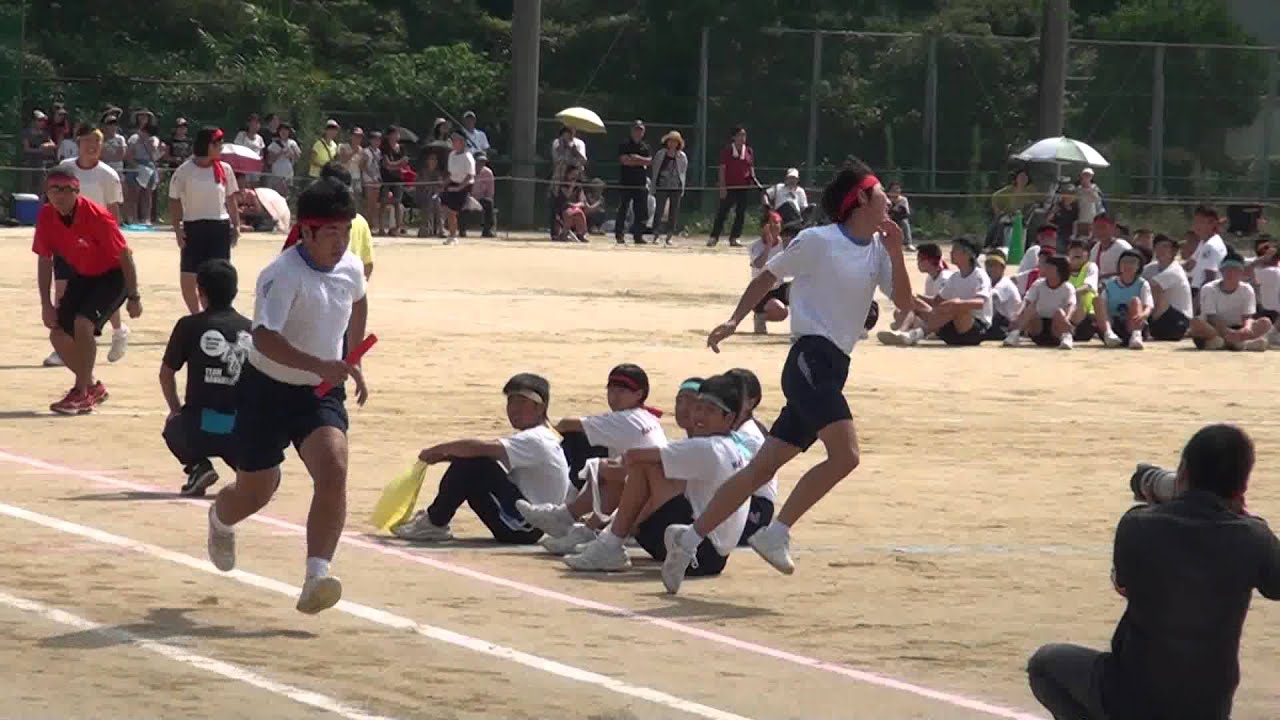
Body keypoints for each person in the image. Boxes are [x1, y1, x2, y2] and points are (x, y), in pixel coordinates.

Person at [662, 159, 914, 592]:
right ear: (859, 201)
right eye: (879, 194)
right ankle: (776, 532)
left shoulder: (877, 250)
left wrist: (895, 251)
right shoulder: (819, 241)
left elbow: (905, 304)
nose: (889, 200)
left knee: (761, 469)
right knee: (846, 456)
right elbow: (768, 276)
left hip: (835, 367)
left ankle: (688, 538)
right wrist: (734, 320)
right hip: (808, 359)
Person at [1027, 424, 1280, 720]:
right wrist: (1244, 516)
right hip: (1209, 708)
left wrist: (1163, 492)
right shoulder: (1254, 538)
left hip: (1132, 699)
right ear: (1242, 487)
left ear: (1183, 471)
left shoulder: (1137, 525)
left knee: (1044, 665)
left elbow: (1123, 584)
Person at [205, 178, 369, 615]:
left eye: (346, 230)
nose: (340, 242)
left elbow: (358, 302)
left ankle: (317, 575)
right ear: (307, 231)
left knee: (333, 469)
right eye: (330, 232)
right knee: (256, 492)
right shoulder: (281, 275)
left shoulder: (351, 267)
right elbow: (263, 339)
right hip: (266, 391)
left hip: (319, 394)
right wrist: (321, 365)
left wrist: (352, 360)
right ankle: (220, 519)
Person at [563, 375, 750, 574]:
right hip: (713, 554)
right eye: (698, 408)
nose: (699, 416)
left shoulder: (707, 447)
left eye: (710, 411)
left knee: (645, 466)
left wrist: (610, 465)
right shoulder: (734, 445)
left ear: (728, 418)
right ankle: (606, 538)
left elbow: (636, 457)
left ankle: (607, 541)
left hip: (696, 553)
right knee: (658, 470)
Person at [392, 374, 569, 543]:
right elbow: (487, 455)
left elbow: (480, 449)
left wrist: (439, 449)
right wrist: (445, 457)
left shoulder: (535, 438)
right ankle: (434, 520)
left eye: (522, 402)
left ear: (540, 407)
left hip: (522, 527)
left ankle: (434, 523)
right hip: (528, 524)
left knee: (472, 463)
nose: (514, 409)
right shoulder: (546, 435)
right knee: (473, 461)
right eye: (510, 401)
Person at [517, 364, 669, 555]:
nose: (614, 396)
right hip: (650, 497)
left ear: (639, 394)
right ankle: (581, 527)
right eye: (611, 390)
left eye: (621, 391)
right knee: (608, 469)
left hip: (649, 510)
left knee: (601, 465)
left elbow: (567, 424)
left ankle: (566, 516)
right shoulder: (646, 417)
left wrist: (540, 435)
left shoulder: (625, 419)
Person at [31, 169, 143, 414]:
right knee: (58, 334)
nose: (59, 196)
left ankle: (81, 392)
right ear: (46, 193)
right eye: (53, 190)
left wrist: (134, 296)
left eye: (66, 190)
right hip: (83, 275)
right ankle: (92, 386)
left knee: (83, 324)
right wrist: (45, 304)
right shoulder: (46, 216)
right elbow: (44, 260)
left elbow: (125, 255)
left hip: (114, 276)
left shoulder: (96, 215)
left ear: (76, 191)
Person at [160, 259, 252, 497]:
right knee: (255, 466)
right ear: (234, 291)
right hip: (240, 429)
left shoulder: (189, 325)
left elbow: (166, 374)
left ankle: (199, 466)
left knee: (173, 427)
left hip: (198, 427)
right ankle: (252, 471)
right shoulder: (250, 329)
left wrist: (176, 409)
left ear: (201, 292)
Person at [55, 124, 130, 365]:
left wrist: (114, 243)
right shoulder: (66, 169)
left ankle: (119, 332)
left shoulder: (108, 175)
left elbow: (113, 211)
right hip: (68, 240)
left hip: (98, 243)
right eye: (87, 141)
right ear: (78, 143)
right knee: (62, 290)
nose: (92, 146)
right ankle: (65, 343)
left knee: (103, 292)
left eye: (97, 142)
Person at [169, 127, 241, 315]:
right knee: (188, 277)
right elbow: (174, 200)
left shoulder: (225, 169)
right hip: (193, 227)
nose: (221, 147)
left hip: (219, 227)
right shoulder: (184, 170)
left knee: (219, 277)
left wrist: (237, 224)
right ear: (206, 145)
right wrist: (177, 228)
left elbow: (231, 198)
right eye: (217, 144)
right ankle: (196, 315)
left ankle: (215, 313)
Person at [880, 236, 991, 346]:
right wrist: (916, 298)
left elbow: (980, 303)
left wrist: (955, 303)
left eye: (955, 249)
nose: (951, 253)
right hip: (952, 328)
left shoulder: (979, 275)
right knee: (914, 302)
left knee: (957, 305)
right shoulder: (955, 277)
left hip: (974, 330)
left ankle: (917, 334)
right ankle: (901, 332)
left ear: (967, 254)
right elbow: (937, 301)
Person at [725, 368, 776, 545]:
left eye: (736, 393)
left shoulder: (749, 436)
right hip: (742, 500)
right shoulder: (733, 426)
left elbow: (732, 474)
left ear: (751, 401)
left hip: (755, 509)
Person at [1187, 251, 1271, 352]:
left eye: (1235, 270)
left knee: (1265, 322)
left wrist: (1246, 328)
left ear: (1241, 273)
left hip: (1238, 328)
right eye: (1227, 270)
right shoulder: (1209, 288)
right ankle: (1241, 344)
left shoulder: (1247, 289)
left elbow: (1247, 316)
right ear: (1221, 271)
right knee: (1196, 323)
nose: (1230, 273)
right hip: (1214, 328)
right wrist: (1228, 332)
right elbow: (1211, 317)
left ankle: (1227, 343)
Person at [1003, 255, 1076, 349]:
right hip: (1038, 328)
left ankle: (1066, 337)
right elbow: (1027, 301)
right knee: (1031, 308)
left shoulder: (1067, 287)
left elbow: (1071, 305)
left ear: (1059, 270)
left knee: (1059, 312)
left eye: (1049, 267)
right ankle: (1015, 334)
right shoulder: (1038, 284)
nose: (1045, 269)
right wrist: (1018, 314)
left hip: (1056, 331)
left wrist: (1066, 319)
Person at [708, 126, 757, 248]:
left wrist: (754, 181)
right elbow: (722, 169)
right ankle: (714, 237)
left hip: (743, 187)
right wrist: (722, 187)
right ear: (734, 137)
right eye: (740, 135)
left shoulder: (749, 151)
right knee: (722, 212)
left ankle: (735, 237)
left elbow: (750, 169)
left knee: (740, 213)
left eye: (744, 135)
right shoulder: (728, 150)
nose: (742, 138)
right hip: (729, 186)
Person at [1093, 250, 1153, 350]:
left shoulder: (1142, 284)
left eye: (1132, 262)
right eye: (1124, 262)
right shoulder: (1109, 284)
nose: (1128, 265)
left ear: (1139, 266)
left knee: (1135, 301)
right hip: (1113, 325)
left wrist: (1143, 315)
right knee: (1097, 299)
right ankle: (1108, 334)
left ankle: (1136, 336)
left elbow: (1148, 306)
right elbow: (1101, 306)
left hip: (1133, 323)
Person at [1142, 233, 1194, 342]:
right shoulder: (1150, 268)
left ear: (1174, 251)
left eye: (1165, 246)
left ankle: (1147, 326)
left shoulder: (1174, 270)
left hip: (1179, 320)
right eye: (1158, 247)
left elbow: (1150, 288)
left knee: (1157, 291)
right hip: (1162, 317)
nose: (1161, 250)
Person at [749, 212, 792, 334]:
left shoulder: (784, 244)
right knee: (781, 311)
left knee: (802, 289)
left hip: (779, 286)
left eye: (778, 224)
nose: (776, 228)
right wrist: (768, 245)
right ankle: (760, 317)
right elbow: (758, 264)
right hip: (762, 291)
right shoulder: (755, 246)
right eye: (772, 225)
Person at [615, 120, 652, 245]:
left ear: (643, 132)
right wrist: (639, 161)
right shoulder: (624, 144)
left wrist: (636, 158)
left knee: (641, 211)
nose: (638, 132)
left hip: (640, 183)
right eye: (636, 129)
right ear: (632, 130)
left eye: (640, 130)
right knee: (623, 210)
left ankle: (638, 236)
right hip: (626, 182)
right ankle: (619, 235)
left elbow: (649, 162)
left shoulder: (645, 146)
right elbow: (624, 161)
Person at [1185, 205, 1228, 310]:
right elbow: (1189, 265)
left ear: (1212, 224)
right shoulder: (1203, 242)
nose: (1196, 226)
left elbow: (1209, 279)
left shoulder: (1211, 246)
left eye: (1200, 222)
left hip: (1205, 295)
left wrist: (1194, 306)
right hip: (1196, 290)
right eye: (1195, 221)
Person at [651, 131, 688, 246]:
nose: (672, 143)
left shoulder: (682, 156)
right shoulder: (660, 154)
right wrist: (654, 185)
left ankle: (669, 235)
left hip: (675, 187)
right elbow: (655, 170)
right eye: (670, 141)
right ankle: (656, 235)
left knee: (674, 212)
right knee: (659, 210)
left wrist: (682, 187)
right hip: (662, 185)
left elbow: (683, 172)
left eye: (675, 141)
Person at [440, 131, 475, 246]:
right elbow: (451, 174)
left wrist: (459, 188)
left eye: (456, 140)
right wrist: (444, 184)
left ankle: (453, 236)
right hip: (453, 184)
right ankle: (452, 235)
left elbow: (470, 176)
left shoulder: (468, 157)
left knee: (452, 211)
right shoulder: (451, 155)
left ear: (462, 142)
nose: (453, 142)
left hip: (465, 186)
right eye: (453, 140)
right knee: (448, 210)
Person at [983, 249, 1022, 342]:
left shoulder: (1005, 284)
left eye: (994, 265)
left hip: (1006, 324)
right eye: (988, 265)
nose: (990, 269)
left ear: (1003, 268)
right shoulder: (991, 283)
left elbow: (988, 299)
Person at [1065, 240, 1100, 342]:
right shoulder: (1063, 267)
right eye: (1073, 252)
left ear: (1087, 256)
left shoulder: (1091, 267)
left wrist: (1072, 293)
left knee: (1078, 295)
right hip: (1065, 312)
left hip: (1087, 315)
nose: (1076, 254)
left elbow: (1088, 286)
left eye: (1080, 253)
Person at [1248, 235, 1279, 344]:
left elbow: (1245, 270)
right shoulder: (1273, 270)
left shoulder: (1270, 272)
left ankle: (1269, 335)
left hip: (1269, 313)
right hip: (1269, 313)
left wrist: (1262, 258)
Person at [1087, 214, 1132, 279]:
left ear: (1113, 227)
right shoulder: (1095, 249)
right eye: (1097, 228)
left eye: (1103, 227)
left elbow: (1129, 272)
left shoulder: (1123, 248)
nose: (1100, 231)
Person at [266, 123, 302, 196]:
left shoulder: (292, 143)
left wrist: (292, 154)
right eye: (282, 130)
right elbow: (269, 160)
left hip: (288, 174)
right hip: (277, 174)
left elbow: (298, 157)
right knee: (277, 194)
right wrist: (280, 153)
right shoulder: (274, 144)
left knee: (287, 194)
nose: (284, 132)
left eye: (286, 130)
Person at [467, 152, 496, 238]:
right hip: (468, 197)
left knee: (489, 202)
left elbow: (490, 192)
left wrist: (485, 198)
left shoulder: (488, 173)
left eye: (483, 162)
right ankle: (462, 230)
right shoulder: (467, 171)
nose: (481, 164)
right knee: (460, 202)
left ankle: (487, 230)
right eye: (479, 162)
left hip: (481, 199)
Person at [886, 180, 913, 250]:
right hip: (887, 218)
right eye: (894, 189)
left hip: (899, 219)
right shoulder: (885, 198)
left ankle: (908, 243)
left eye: (897, 188)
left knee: (905, 222)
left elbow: (906, 214)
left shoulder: (903, 199)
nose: (896, 191)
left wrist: (895, 206)